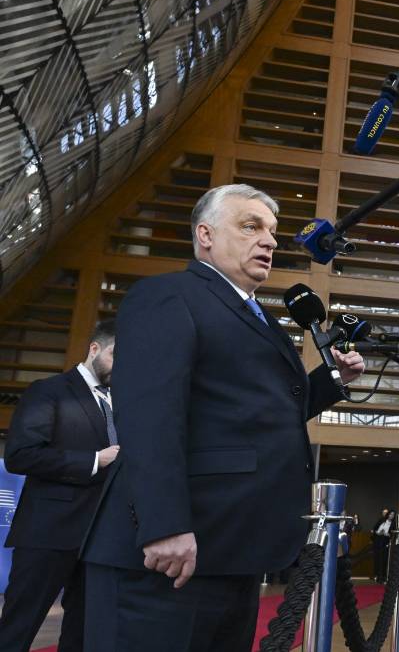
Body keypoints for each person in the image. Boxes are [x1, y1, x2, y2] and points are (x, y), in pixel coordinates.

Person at [79, 184, 365, 652]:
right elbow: (150, 415)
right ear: (205, 235)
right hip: (170, 551)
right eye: (251, 226)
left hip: (232, 547)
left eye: (272, 231)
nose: (270, 241)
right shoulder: (168, 295)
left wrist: (331, 380)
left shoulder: (260, 318)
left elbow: (259, 413)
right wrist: (165, 524)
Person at [0, 320, 119, 652]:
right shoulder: (47, 390)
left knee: (83, 632)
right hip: (48, 532)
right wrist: (94, 460)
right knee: (18, 627)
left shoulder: (119, 402)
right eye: (115, 356)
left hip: (100, 538)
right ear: (94, 348)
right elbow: (21, 455)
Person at [371, 509, 393, 583]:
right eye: (390, 514)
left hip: (386, 542)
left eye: (393, 515)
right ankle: (377, 576)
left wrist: (388, 534)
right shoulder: (381, 520)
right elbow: (374, 530)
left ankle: (383, 577)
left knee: (384, 560)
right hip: (378, 541)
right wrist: (378, 532)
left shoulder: (393, 524)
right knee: (377, 559)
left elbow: (393, 534)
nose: (391, 516)